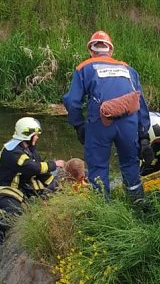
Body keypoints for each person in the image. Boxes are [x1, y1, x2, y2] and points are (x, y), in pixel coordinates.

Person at [62, 31, 149, 198]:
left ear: (91, 51)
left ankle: (102, 212)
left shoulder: (84, 68)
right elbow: (141, 103)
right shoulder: (128, 69)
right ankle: (138, 205)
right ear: (111, 51)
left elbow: (73, 101)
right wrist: (143, 134)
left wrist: (79, 125)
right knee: (131, 164)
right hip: (129, 123)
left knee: (98, 167)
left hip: (100, 123)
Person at [0, 117, 65, 228]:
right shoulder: (13, 152)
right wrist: (55, 164)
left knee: (40, 194)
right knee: (16, 216)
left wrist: (56, 185)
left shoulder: (28, 149)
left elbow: (39, 171)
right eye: (36, 135)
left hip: (20, 186)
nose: (37, 137)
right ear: (28, 136)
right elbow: (33, 167)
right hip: (6, 188)